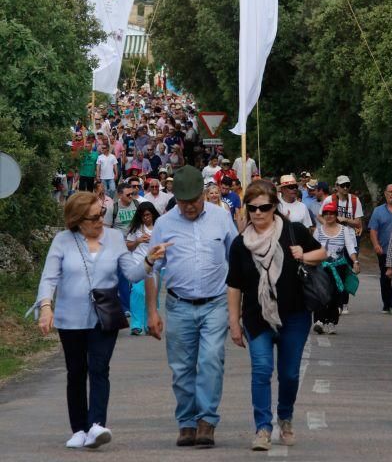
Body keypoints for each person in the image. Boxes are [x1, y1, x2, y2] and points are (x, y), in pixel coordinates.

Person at [33, 192, 166, 449]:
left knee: (99, 368)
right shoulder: (62, 241)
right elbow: (48, 278)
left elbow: (132, 273)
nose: (99, 221)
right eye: (94, 217)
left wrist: (149, 260)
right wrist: (46, 307)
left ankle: (96, 425)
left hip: (104, 316)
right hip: (69, 318)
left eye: (102, 215)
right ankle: (78, 429)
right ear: (77, 219)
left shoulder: (115, 238)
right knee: (76, 372)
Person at [226, 180, 326, 451]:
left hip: (294, 316)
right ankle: (262, 428)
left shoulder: (292, 232)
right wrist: (234, 323)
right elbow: (234, 285)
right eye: (252, 208)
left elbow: (322, 253)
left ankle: (285, 416)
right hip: (257, 318)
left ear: (275, 207)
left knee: (290, 374)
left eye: (264, 207)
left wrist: (303, 256)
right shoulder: (240, 244)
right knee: (261, 370)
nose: (258, 213)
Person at [146, 165, 237, 448]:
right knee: (182, 368)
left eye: (194, 201)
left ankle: (206, 421)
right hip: (179, 305)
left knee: (210, 360)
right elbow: (152, 269)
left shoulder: (222, 218)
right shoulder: (164, 224)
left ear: (203, 194)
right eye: (183, 202)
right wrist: (152, 310)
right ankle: (186, 423)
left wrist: (238, 309)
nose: (189, 207)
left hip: (215, 304)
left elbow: (237, 261)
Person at [313, 202, 359, 335]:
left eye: (331, 213)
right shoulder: (319, 230)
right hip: (322, 266)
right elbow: (313, 247)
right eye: (326, 213)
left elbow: (350, 247)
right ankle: (319, 321)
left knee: (335, 294)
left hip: (338, 267)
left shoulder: (344, 230)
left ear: (336, 215)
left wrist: (355, 261)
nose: (328, 216)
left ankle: (332, 321)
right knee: (321, 293)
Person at [321, 175, 363, 314]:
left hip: (350, 238)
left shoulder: (355, 201)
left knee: (347, 270)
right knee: (333, 268)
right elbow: (320, 216)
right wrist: (330, 226)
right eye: (342, 185)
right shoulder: (329, 199)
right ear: (336, 186)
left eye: (347, 185)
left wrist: (344, 219)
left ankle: (344, 303)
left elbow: (358, 223)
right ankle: (335, 301)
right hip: (333, 238)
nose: (345, 188)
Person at [127, 202, 160, 335]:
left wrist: (154, 241)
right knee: (137, 292)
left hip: (155, 267)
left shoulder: (160, 227)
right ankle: (136, 324)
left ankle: (149, 323)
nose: (145, 218)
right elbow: (128, 246)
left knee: (152, 296)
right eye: (142, 216)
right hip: (138, 265)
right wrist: (138, 241)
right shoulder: (136, 229)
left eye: (147, 215)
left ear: (152, 214)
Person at [368, 185, 392, 313]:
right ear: (386, 194)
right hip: (384, 250)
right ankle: (387, 304)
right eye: (390, 192)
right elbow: (373, 230)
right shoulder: (378, 211)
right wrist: (376, 245)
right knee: (386, 277)